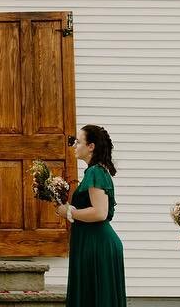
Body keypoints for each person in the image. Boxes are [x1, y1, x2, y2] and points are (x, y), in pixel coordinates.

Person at [55, 125, 125, 307]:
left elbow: (100, 212)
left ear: (91, 146)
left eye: (78, 142)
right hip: (91, 242)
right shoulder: (95, 171)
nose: (75, 146)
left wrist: (68, 211)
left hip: (97, 246)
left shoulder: (96, 172)